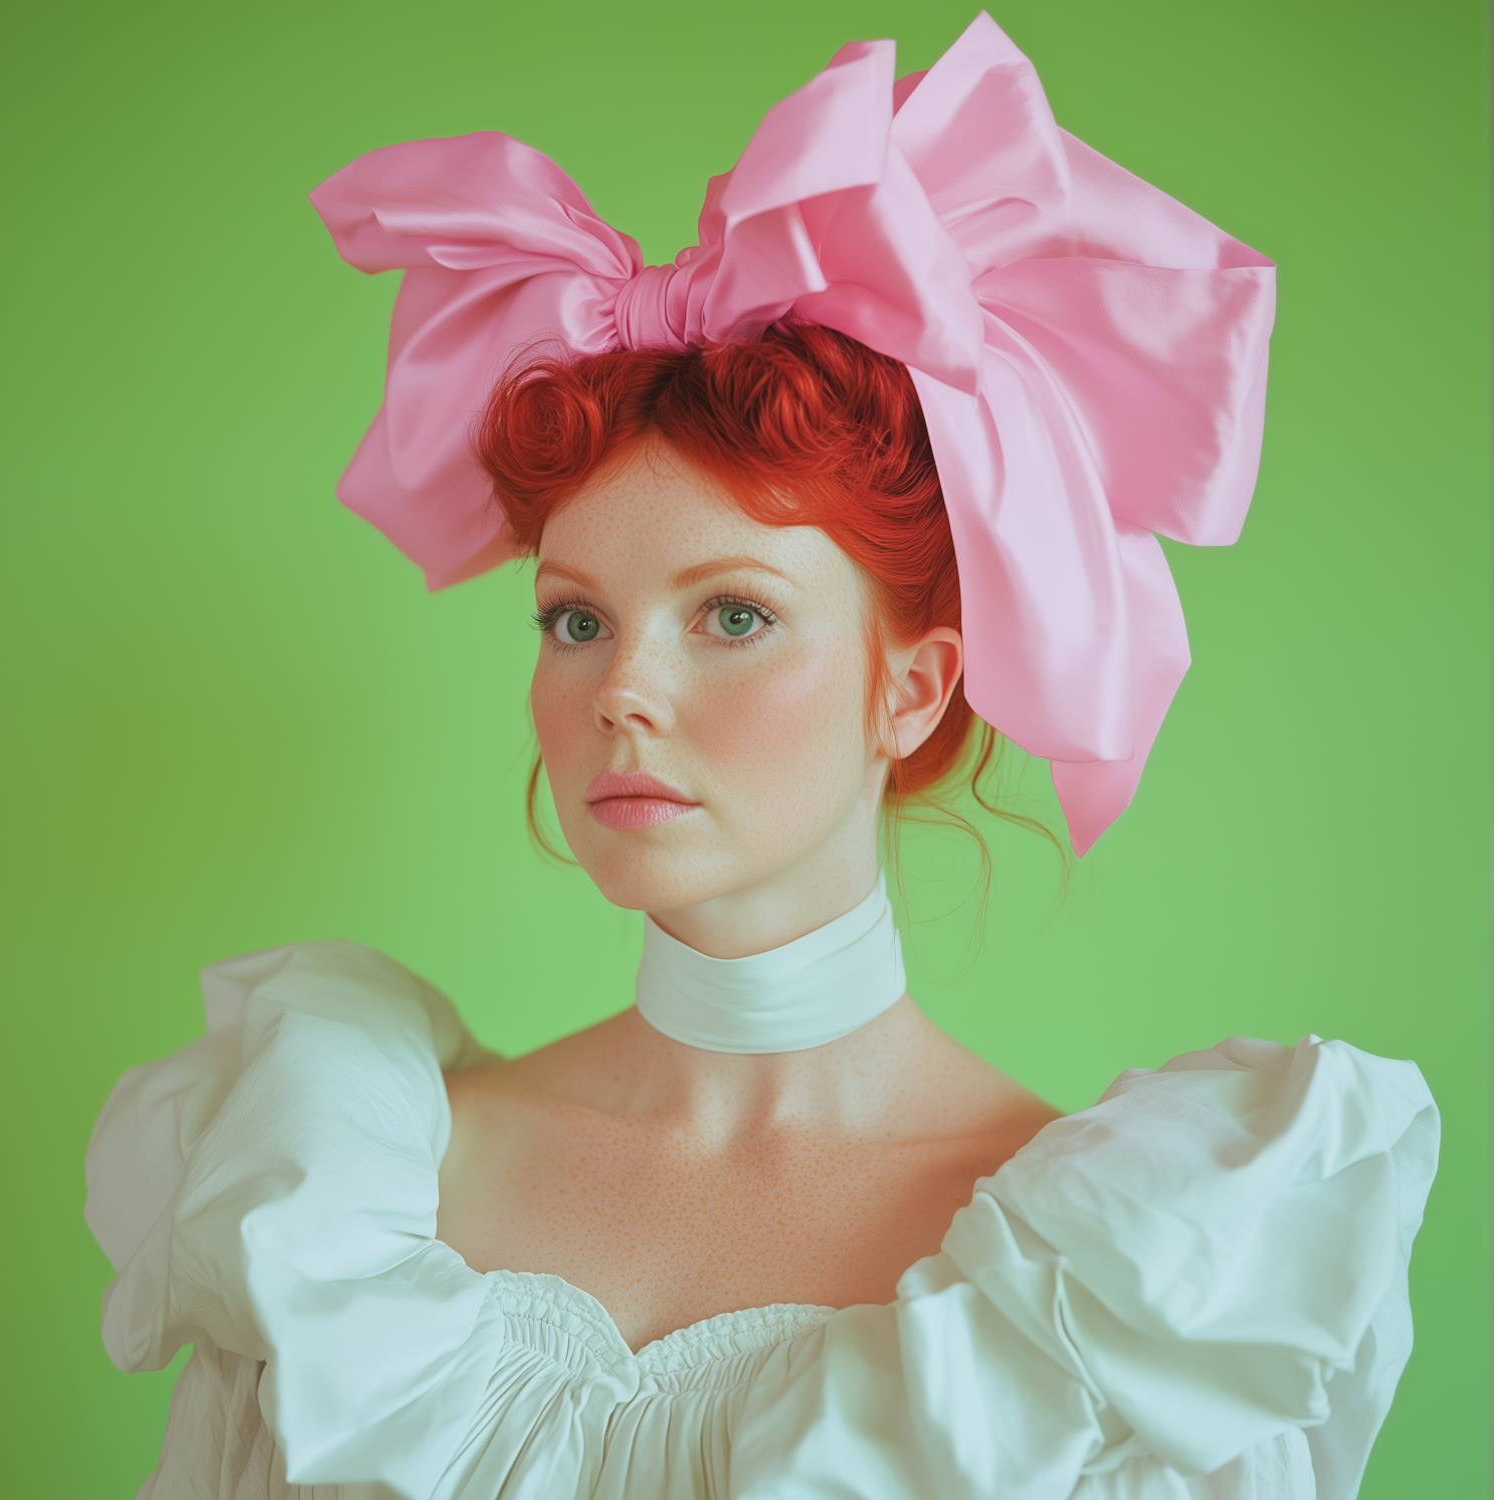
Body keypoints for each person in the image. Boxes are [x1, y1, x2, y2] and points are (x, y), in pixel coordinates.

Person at [84, 14, 1438, 1500]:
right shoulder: (325, 1192)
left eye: (733, 614)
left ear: (912, 690)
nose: (623, 693)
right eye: (576, 619)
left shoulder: (1130, 1291)